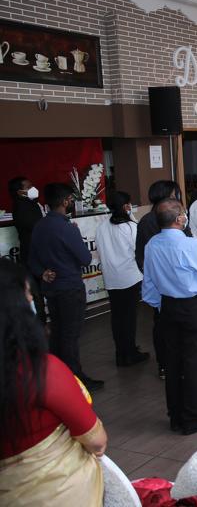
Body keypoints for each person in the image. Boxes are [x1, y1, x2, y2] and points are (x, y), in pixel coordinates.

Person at [0, 289, 107, 506]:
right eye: (27, 293)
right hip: (58, 491)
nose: (32, 298)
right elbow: (96, 441)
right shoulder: (40, 371)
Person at [142, 199, 197, 435]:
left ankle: (176, 416)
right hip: (191, 307)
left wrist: (160, 305)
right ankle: (192, 418)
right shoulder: (189, 245)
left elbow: (149, 282)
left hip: (167, 306)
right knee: (194, 362)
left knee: (173, 362)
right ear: (179, 219)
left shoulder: (152, 244)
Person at [28, 183, 102, 390]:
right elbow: (85, 258)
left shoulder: (40, 226)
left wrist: (42, 272)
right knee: (70, 335)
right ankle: (75, 379)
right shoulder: (67, 228)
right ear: (64, 201)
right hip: (70, 287)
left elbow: (32, 259)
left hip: (51, 288)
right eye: (70, 199)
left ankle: (55, 376)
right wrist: (76, 236)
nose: (71, 202)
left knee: (58, 331)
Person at [136, 180, 191, 379]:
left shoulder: (148, 220)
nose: (177, 198)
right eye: (175, 194)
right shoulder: (152, 221)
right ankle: (170, 365)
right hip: (171, 283)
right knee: (168, 326)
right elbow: (143, 255)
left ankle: (169, 365)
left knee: (165, 325)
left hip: (166, 283)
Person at [95, 191, 149, 367]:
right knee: (129, 317)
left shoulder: (102, 227)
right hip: (129, 277)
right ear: (126, 206)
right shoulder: (130, 227)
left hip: (111, 278)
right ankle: (130, 352)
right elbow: (138, 250)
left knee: (117, 317)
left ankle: (121, 353)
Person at [8, 176, 45, 321]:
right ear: (20, 192)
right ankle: (41, 324)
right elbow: (37, 226)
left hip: (36, 252)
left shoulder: (30, 203)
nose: (33, 189)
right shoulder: (22, 206)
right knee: (37, 292)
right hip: (32, 254)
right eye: (28, 187)